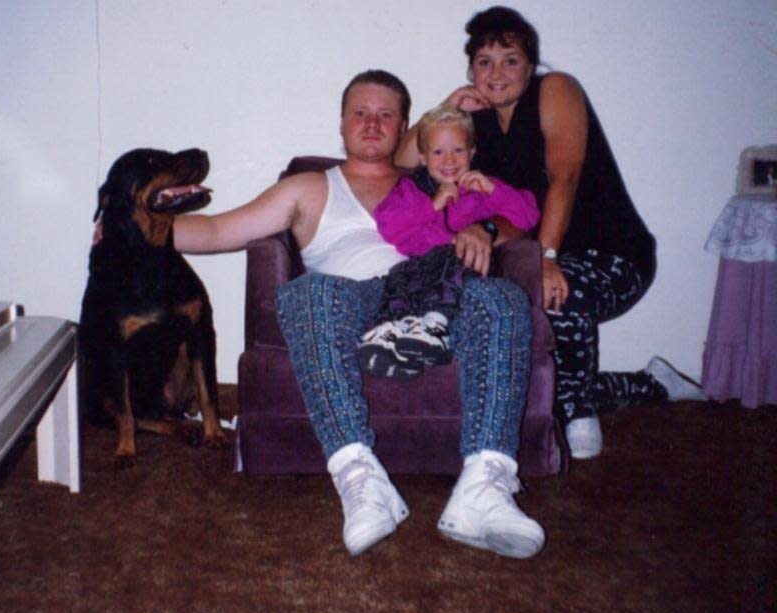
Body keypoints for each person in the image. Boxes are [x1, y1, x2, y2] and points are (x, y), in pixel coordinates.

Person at [173, 69, 545, 558]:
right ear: (342, 124)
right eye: (360, 113)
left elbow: (517, 215)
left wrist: (487, 229)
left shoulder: (435, 178)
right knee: (306, 294)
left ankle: (484, 488)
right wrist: (136, 233)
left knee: (502, 299)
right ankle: (361, 480)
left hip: (436, 300)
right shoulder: (309, 185)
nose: (372, 123)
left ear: (403, 128)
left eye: (386, 114)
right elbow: (219, 230)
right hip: (354, 304)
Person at [396, 6, 706, 460]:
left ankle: (580, 416)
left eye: (510, 59)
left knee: (554, 297)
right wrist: (446, 105)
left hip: (612, 253)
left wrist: (548, 255)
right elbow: (406, 162)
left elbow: (565, 175)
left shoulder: (554, 89)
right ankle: (650, 382)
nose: (496, 72)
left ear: (531, 65)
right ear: (470, 70)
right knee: (529, 378)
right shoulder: (474, 125)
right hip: (538, 253)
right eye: (484, 62)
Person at [357, 104, 540, 379]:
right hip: (420, 264)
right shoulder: (412, 189)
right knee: (398, 276)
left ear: (472, 153)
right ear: (423, 157)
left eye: (458, 151)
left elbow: (529, 215)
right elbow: (389, 226)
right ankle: (390, 333)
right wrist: (432, 206)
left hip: (464, 265)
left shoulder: (481, 189)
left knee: (451, 256)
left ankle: (435, 326)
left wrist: (494, 190)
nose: (449, 160)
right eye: (438, 152)